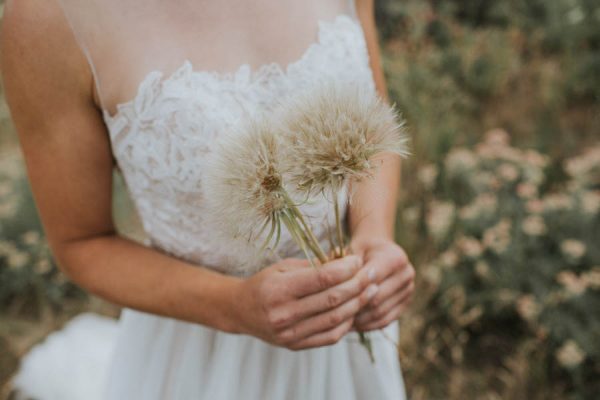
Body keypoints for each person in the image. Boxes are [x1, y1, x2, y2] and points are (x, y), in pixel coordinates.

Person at [1, 0, 415, 398]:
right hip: (201, 356)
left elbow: (371, 124)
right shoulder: (47, 18)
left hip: (348, 323)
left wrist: (374, 234)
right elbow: (81, 243)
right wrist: (235, 307)